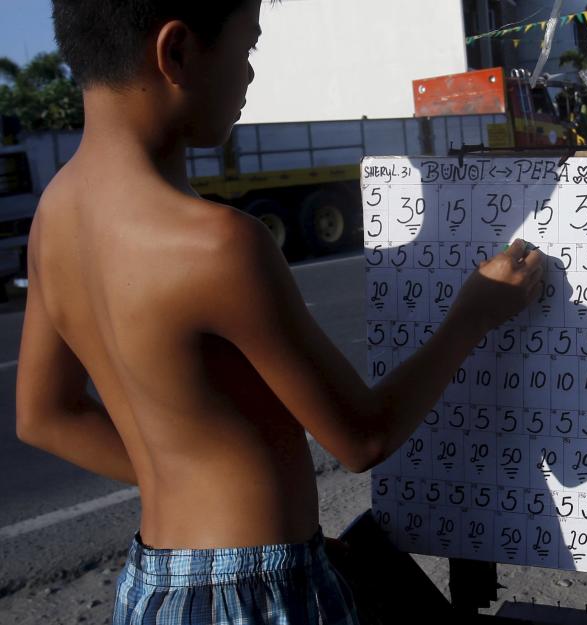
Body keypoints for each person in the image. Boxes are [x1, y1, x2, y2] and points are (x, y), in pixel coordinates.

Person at [15, 2, 544, 623]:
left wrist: (189, 480)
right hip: (255, 594)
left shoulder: (53, 215)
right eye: (247, 49)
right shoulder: (218, 244)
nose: (249, 75)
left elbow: (44, 416)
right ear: (176, 52)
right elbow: (362, 436)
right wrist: (474, 313)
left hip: (151, 587)